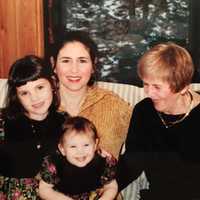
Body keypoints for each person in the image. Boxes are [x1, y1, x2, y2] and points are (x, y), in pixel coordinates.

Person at [117, 42, 200, 199]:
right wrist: (107, 188)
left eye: (157, 87)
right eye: (146, 84)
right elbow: (132, 163)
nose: (149, 93)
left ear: (183, 87)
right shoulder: (144, 111)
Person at [49, 30, 132, 159]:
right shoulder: (39, 105)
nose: (74, 69)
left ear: (93, 65)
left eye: (82, 61)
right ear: (54, 64)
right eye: (66, 61)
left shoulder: (115, 106)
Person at [0, 55, 68, 200]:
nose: (34, 98)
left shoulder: (66, 123)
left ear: (53, 84)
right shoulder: (3, 121)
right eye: (25, 93)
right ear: (17, 96)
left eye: (39, 87)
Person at [39, 116, 118, 200]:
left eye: (86, 145)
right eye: (73, 146)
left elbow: (111, 186)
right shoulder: (54, 165)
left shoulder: (103, 162)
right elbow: (44, 189)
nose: (80, 152)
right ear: (62, 149)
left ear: (95, 144)